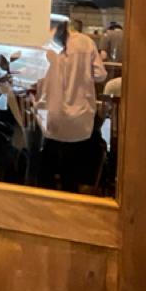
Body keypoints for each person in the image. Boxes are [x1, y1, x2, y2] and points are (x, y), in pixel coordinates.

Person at [35, 18, 107, 193]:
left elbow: (32, 74)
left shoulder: (43, 43)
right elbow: (100, 75)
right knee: (72, 172)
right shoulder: (86, 43)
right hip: (79, 117)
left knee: (48, 167)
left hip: (51, 114)